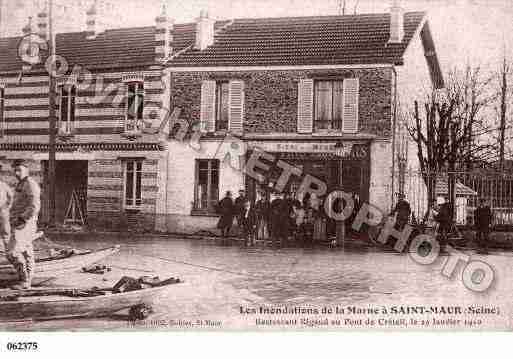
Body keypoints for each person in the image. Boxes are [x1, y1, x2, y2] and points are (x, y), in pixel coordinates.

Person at [6, 159, 41, 289]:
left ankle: (24, 280)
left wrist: (22, 219)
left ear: (27, 169)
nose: (17, 172)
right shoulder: (21, 184)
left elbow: (34, 206)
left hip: (25, 224)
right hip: (18, 223)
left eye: (19, 169)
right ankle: (28, 281)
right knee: (26, 252)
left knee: (12, 252)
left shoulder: (31, 184)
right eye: (15, 170)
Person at [0, 166, 13, 252]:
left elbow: (11, 196)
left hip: (3, 211)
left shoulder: (3, 185)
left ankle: (7, 249)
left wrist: (8, 206)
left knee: (5, 231)